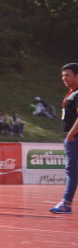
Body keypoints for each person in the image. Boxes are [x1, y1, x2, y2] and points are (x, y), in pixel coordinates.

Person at [47, 63, 78, 214]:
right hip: (72, 137)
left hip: (75, 137)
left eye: (68, 75)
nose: (64, 78)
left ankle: (66, 203)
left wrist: (71, 134)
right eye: (62, 76)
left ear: (77, 75)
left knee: (71, 171)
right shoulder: (71, 93)